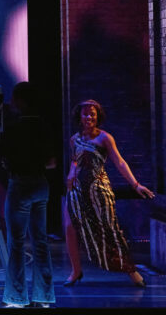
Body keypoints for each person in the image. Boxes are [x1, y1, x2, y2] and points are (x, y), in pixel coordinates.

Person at [0, 82, 55, 308]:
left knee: (16, 243)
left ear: (21, 101)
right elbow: (51, 163)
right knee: (41, 242)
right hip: (41, 184)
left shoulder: (14, 127)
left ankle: (17, 298)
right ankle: (44, 297)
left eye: (15, 98)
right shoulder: (44, 126)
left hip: (20, 185)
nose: (11, 102)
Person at [63, 99, 154, 287]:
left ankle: (131, 270)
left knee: (109, 230)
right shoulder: (74, 139)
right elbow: (75, 160)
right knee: (69, 227)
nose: (89, 117)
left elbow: (120, 162)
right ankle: (76, 271)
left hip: (98, 190)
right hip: (77, 190)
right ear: (79, 116)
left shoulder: (104, 138)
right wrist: (71, 172)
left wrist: (135, 185)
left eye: (92, 114)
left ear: (97, 117)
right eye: (85, 113)